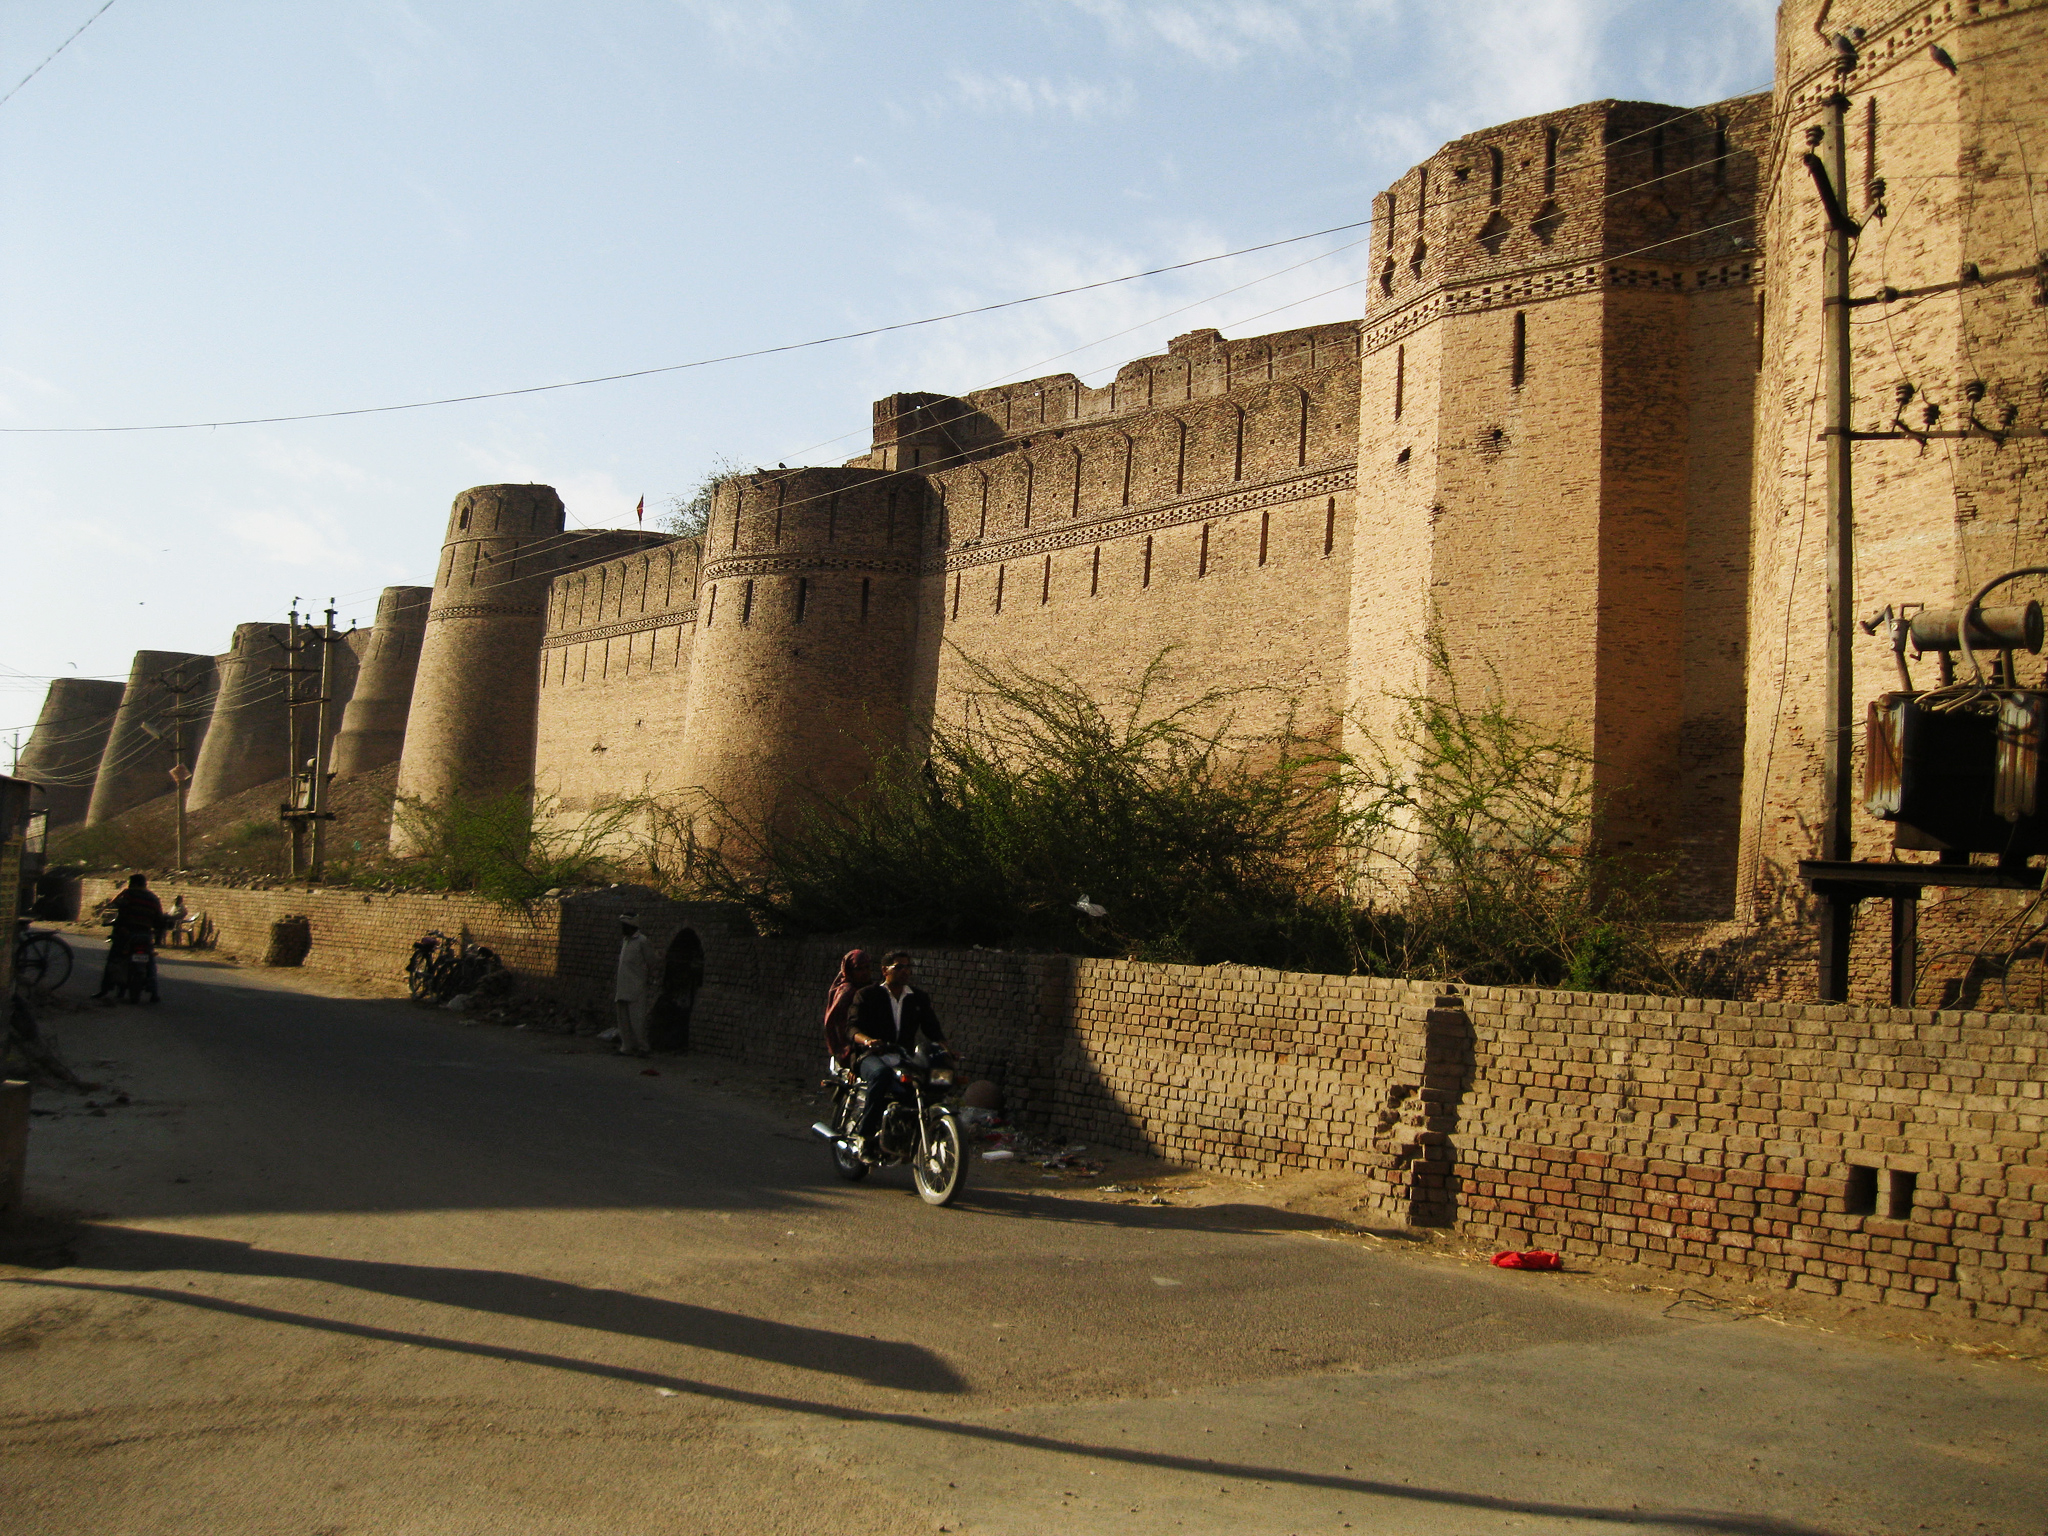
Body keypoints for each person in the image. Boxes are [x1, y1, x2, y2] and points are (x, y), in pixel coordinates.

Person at [847, 951, 951, 1150]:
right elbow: (852, 1028)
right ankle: (866, 1136)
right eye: (899, 967)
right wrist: (868, 1041)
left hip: (903, 1056)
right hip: (870, 1055)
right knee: (881, 1074)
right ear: (885, 970)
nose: (905, 971)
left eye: (908, 967)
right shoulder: (868, 995)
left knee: (924, 1081)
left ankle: (906, 1131)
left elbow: (933, 1030)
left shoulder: (918, 998)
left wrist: (947, 1051)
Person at [94, 873, 164, 1003]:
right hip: (145, 934)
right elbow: (159, 918)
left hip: (126, 933)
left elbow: (114, 905)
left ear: (133, 883)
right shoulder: (153, 898)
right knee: (150, 963)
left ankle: (105, 988)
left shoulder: (128, 895)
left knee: (114, 958)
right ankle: (154, 992)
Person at [822, 948, 874, 1072]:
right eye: (859, 969)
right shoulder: (847, 992)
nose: (864, 972)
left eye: (867, 968)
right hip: (848, 1048)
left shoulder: (871, 989)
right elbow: (837, 1024)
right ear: (850, 971)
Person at [614, 913, 654, 1057]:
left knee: (637, 1019)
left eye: (625, 925)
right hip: (623, 985)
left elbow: (651, 962)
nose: (622, 929)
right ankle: (626, 1047)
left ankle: (643, 1047)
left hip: (637, 986)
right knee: (623, 1019)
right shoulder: (626, 941)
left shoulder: (642, 941)